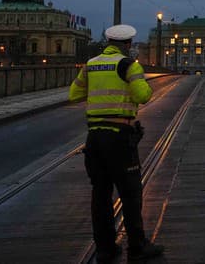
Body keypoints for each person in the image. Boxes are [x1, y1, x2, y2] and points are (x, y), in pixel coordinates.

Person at [69, 24, 164, 263]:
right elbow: (143, 96)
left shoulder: (91, 65)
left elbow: (74, 95)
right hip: (120, 136)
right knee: (130, 193)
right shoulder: (129, 65)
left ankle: (105, 249)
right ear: (129, 44)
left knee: (100, 193)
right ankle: (137, 246)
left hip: (95, 138)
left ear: (107, 41)